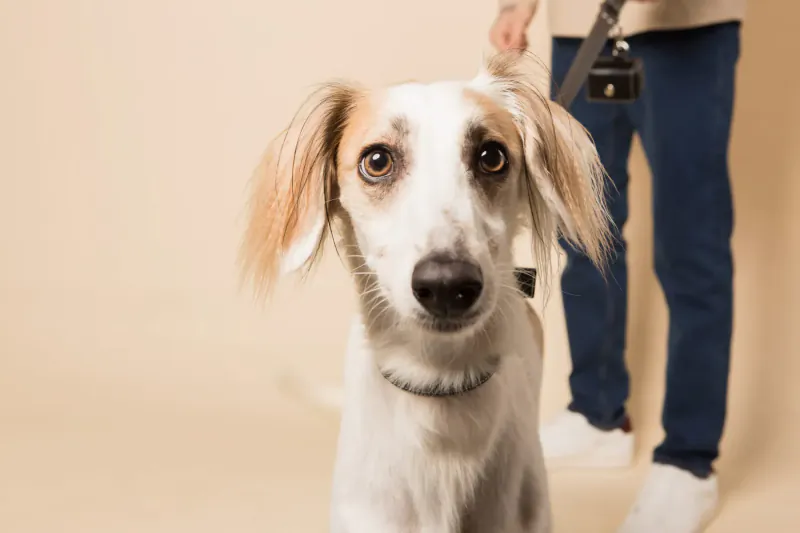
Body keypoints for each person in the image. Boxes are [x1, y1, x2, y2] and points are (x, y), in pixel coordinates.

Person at [490, 1, 746, 531]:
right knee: (582, 231)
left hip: (688, 29)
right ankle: (598, 412)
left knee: (691, 250)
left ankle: (690, 460)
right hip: (581, 28)